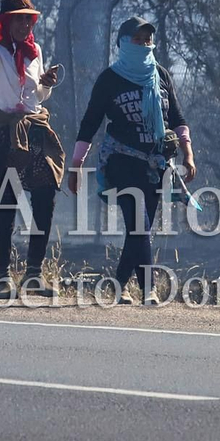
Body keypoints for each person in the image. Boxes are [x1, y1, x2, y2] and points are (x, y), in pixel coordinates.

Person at [66, 16, 197, 303]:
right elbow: (90, 124)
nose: (143, 44)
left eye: (147, 39)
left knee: (142, 227)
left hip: (155, 164)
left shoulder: (159, 75)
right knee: (139, 223)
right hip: (122, 161)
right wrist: (75, 166)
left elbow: (176, 117)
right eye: (137, 40)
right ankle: (149, 290)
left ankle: (118, 285)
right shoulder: (110, 79)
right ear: (123, 44)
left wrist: (187, 152)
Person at [0, 0, 64, 299]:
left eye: (28, 18)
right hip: (3, 132)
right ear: (6, 21)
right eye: (18, 18)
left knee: (46, 199)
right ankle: (2, 278)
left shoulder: (34, 51)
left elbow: (38, 95)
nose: (24, 24)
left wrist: (46, 83)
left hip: (34, 128)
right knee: (6, 204)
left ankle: (34, 273)